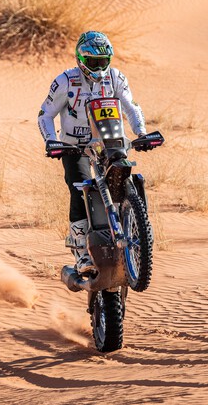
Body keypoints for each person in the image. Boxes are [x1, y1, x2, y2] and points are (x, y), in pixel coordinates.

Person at [37, 31, 147, 274]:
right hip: (74, 147)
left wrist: (141, 133)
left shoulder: (116, 78)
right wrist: (51, 141)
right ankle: (82, 254)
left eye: (103, 61)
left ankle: (136, 231)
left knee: (124, 180)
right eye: (93, 62)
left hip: (108, 143)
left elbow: (131, 107)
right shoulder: (66, 81)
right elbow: (45, 114)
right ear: (80, 59)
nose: (99, 68)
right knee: (80, 189)